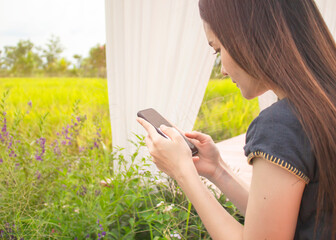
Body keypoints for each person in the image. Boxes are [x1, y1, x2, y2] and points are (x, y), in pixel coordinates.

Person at [137, 0, 336, 239]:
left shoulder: (280, 125)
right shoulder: (323, 102)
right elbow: (282, 221)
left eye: (218, 49)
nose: (222, 70)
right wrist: (217, 170)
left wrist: (182, 171)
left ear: (250, 37)